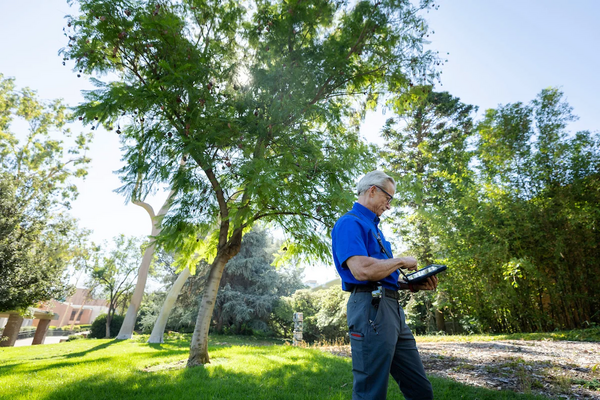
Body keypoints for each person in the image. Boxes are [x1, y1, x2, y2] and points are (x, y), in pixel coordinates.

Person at [331, 170, 437, 400]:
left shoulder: (374, 228)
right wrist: (400, 260)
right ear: (372, 191)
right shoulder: (349, 223)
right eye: (388, 198)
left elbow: (380, 274)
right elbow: (362, 270)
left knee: (420, 390)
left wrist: (412, 286)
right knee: (371, 392)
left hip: (392, 309)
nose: (388, 206)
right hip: (371, 308)